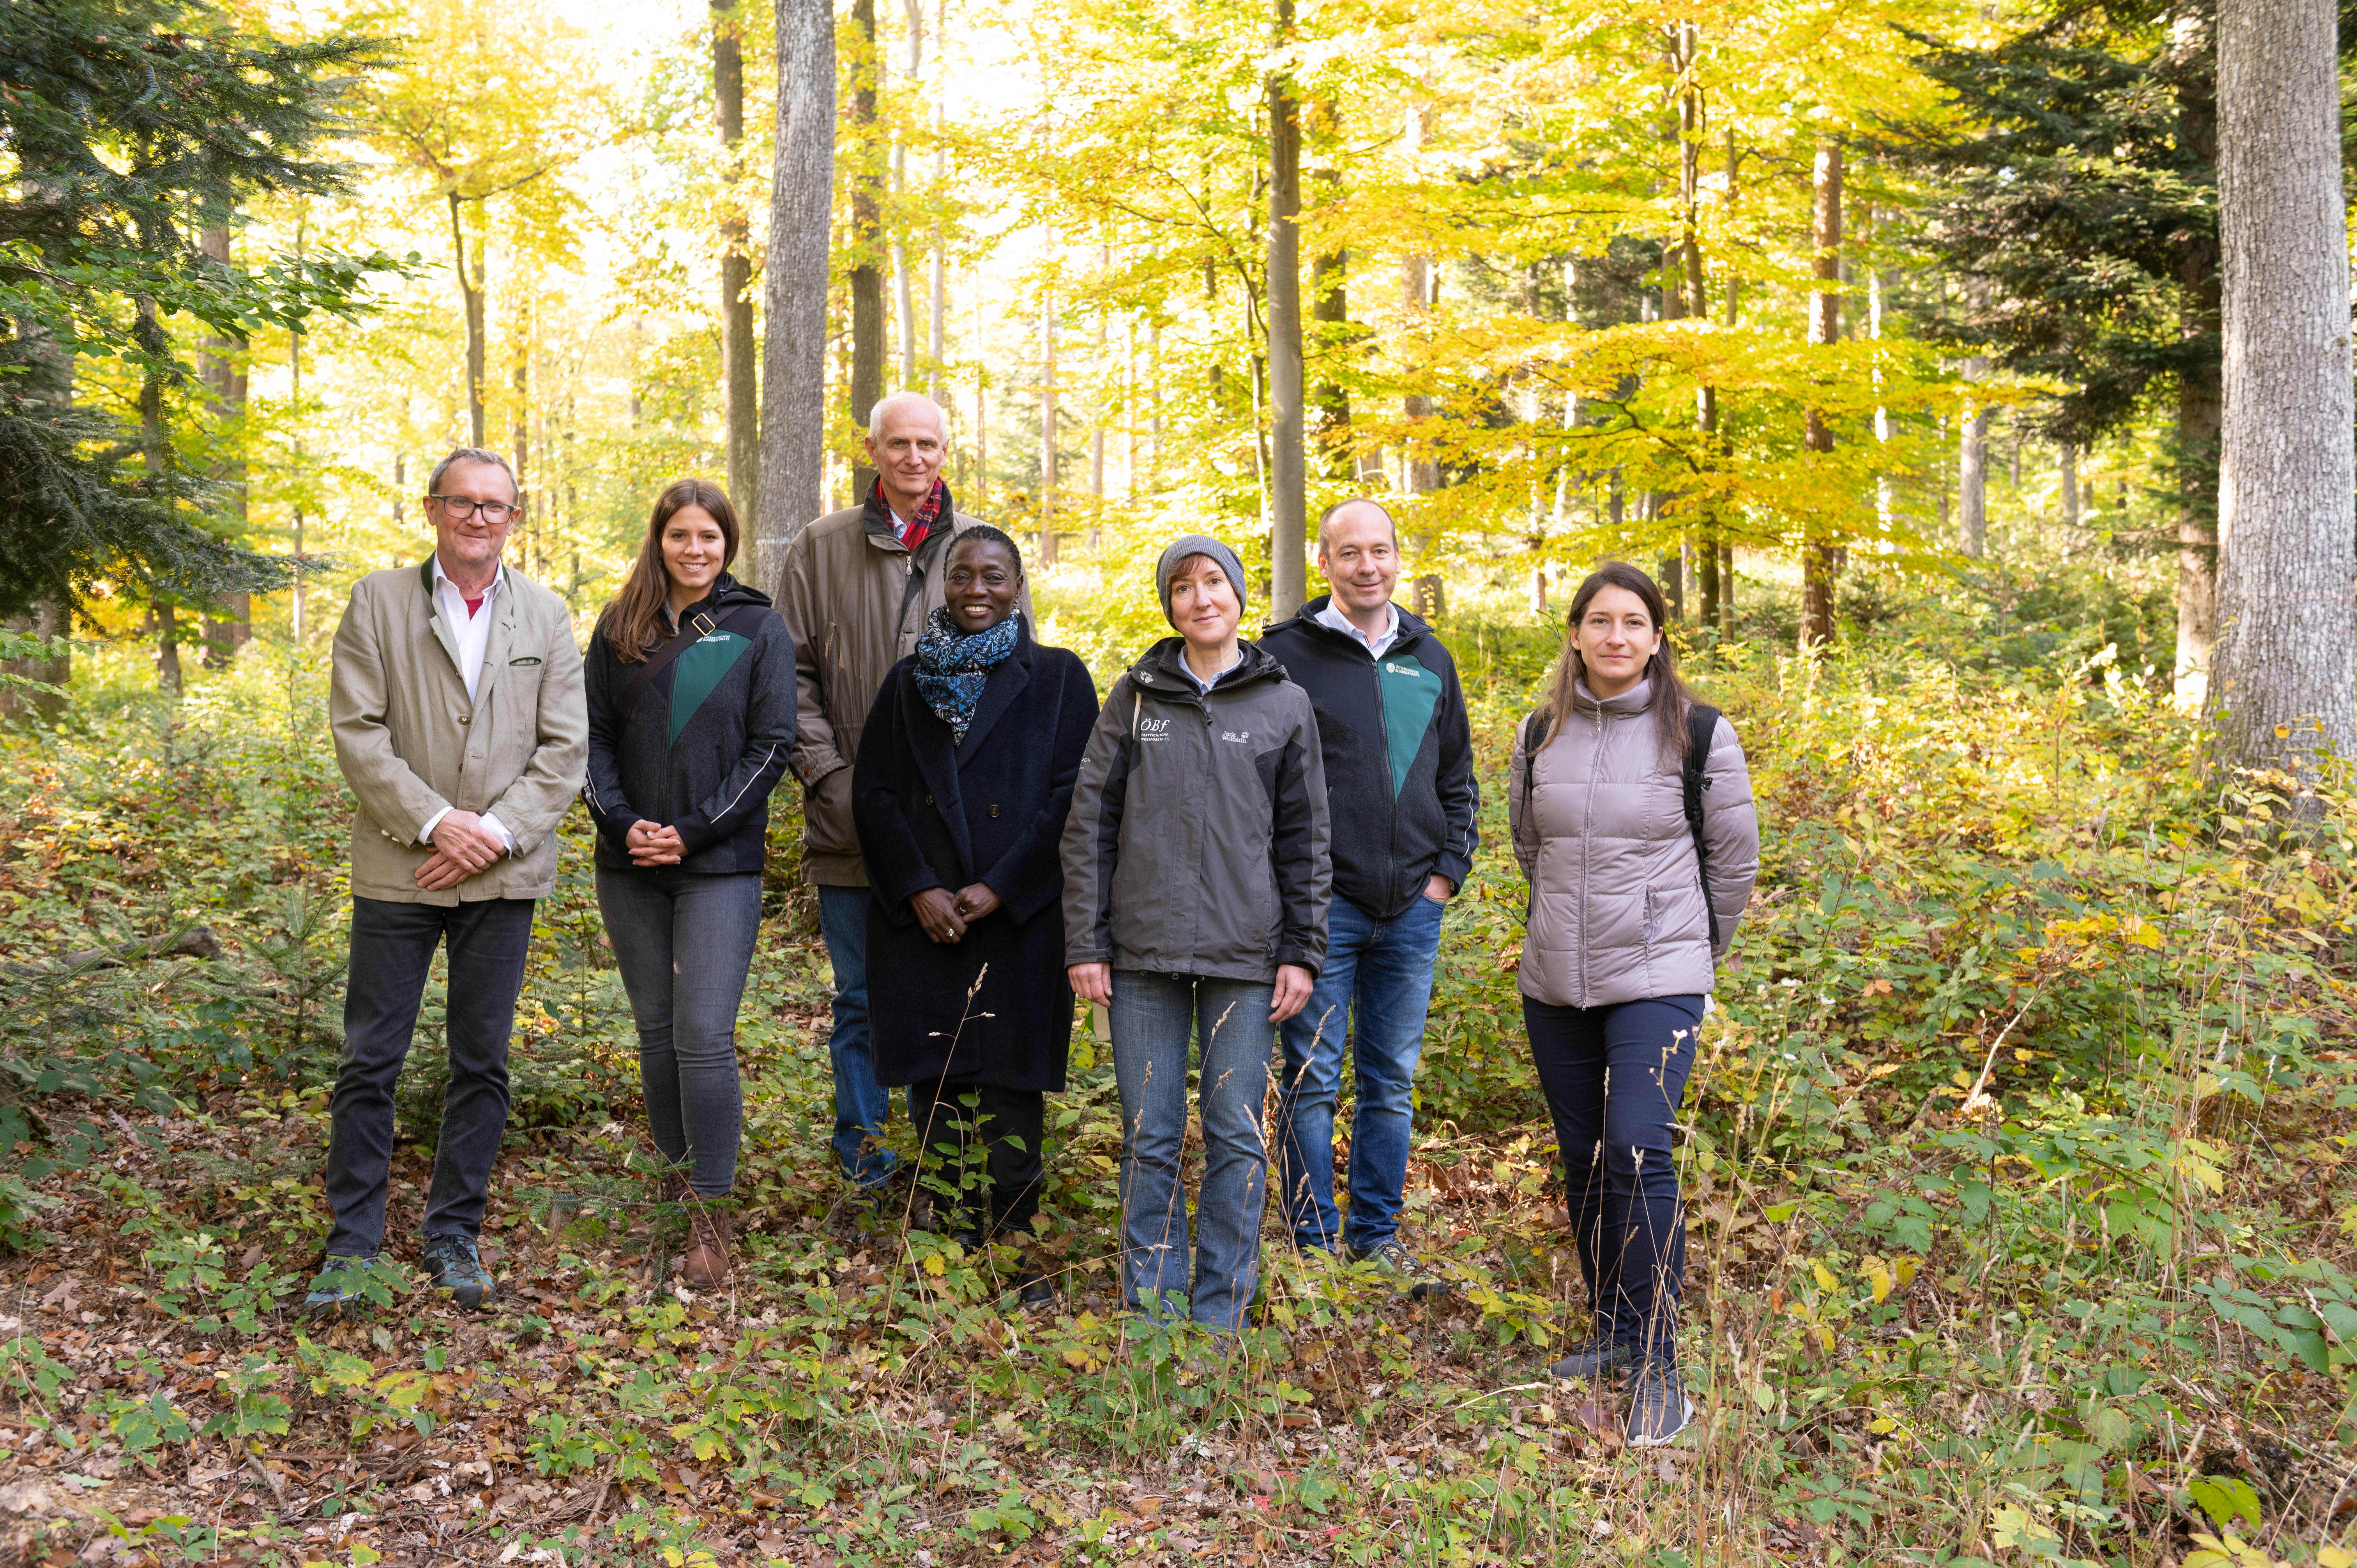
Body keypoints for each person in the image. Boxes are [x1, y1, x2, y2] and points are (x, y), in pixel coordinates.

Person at [314, 447, 588, 1312]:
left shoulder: (545, 615)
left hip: (503, 876)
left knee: (483, 1061)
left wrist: (493, 834)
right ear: (432, 509)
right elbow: (359, 732)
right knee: (370, 1058)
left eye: (494, 505)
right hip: (401, 867)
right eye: (462, 503)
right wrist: (439, 823)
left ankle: (453, 1234)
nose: (478, 517)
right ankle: (353, 1244)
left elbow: (565, 749)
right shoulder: (377, 602)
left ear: (516, 516)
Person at [1507, 561, 1758, 1447]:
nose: (1616, 636)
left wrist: (1689, 951)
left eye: (1634, 623)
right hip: (1556, 982)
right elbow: (1529, 846)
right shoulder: (1541, 730)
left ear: (1657, 638)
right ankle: (1614, 1329)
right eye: (1599, 621)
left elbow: (1733, 863)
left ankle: (1660, 1360)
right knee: (1585, 1158)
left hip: (1659, 979)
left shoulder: (1698, 731)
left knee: (1637, 1147)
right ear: (1574, 633)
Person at [1060, 535, 1330, 1336]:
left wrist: (1301, 951)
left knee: (1236, 1137)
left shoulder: (1285, 704)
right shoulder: (1135, 699)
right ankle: (1149, 1309)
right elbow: (1089, 828)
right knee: (1149, 1133)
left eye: (1215, 582)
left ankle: (1221, 1311)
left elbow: (1307, 839)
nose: (1201, 598)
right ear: (1168, 604)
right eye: (1183, 587)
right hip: (1140, 956)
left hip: (1245, 962)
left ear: (1240, 595)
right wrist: (1087, 941)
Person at [775, 392, 1032, 1227]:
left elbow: (1017, 687)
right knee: (858, 996)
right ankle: (865, 1157)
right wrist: (833, 777)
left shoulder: (982, 550)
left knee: (943, 995)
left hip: (959, 843)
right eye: (898, 443)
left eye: (928, 443)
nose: (914, 457)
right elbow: (790, 676)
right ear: (872, 448)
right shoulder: (821, 547)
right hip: (853, 822)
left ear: (946, 449)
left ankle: (944, 1163)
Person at [850, 527, 1098, 1305]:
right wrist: (918, 885)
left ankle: (1018, 1247)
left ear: (1019, 583)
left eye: (995, 574)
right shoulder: (905, 683)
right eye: (963, 575)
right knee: (939, 1083)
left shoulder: (1059, 678)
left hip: (1016, 917)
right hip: (926, 919)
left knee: (1011, 1085)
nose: (978, 588)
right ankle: (949, 1244)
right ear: (943, 585)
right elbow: (876, 795)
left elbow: (1073, 796)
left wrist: (1000, 885)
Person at [1258, 499, 1477, 1295]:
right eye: (1349, 553)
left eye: (1380, 550)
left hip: (1411, 910)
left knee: (1390, 1080)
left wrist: (1443, 876)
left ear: (1397, 558)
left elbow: (1458, 780)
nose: (1367, 565)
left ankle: (1375, 1239)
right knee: (1311, 1078)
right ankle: (1312, 1247)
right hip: (1323, 910)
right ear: (1324, 563)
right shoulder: (1284, 655)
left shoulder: (1430, 656)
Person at [580, 479, 794, 1289]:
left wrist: (695, 828)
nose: (695, 549)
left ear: (727, 543)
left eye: (709, 536)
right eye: (681, 535)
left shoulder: (756, 626)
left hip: (719, 863)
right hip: (629, 862)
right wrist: (623, 821)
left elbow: (771, 746)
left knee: (704, 1033)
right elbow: (588, 738)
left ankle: (710, 1211)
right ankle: (673, 1192)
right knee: (657, 1034)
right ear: (659, 539)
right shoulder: (618, 626)